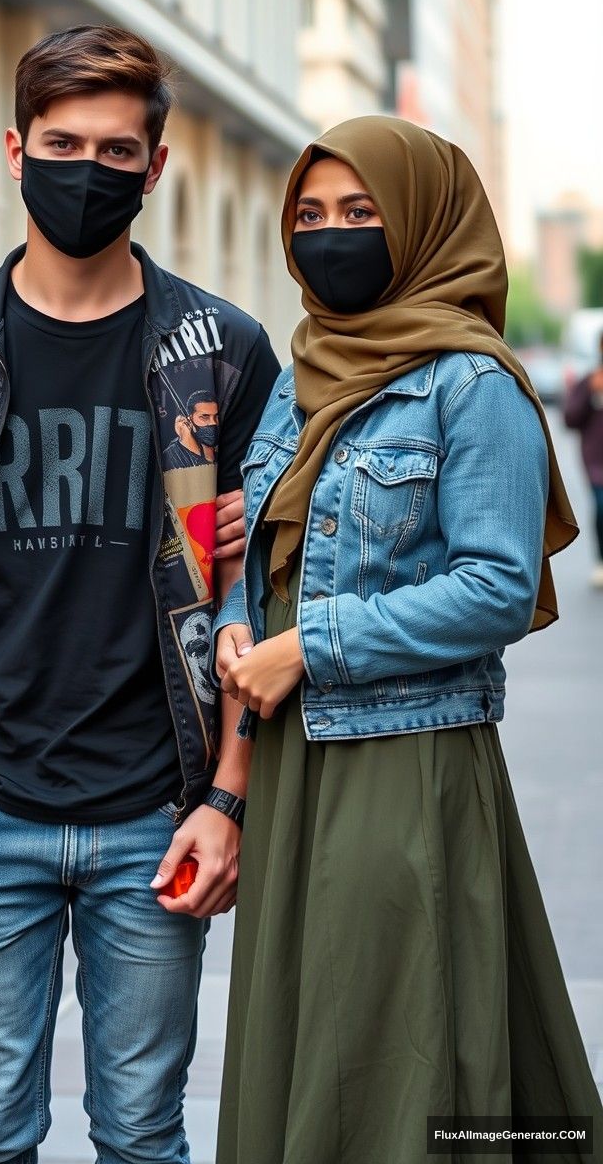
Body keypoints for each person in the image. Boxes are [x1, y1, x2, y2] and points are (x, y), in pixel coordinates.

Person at [0, 24, 280, 1164]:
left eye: (115, 148)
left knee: (143, 1131)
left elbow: (255, 596)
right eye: (61, 142)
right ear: (13, 149)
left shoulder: (221, 352)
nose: (87, 169)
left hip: (158, 806)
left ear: (156, 164)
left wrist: (225, 797)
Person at [212, 116, 602, 1164]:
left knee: (398, 1060)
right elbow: (271, 552)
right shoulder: (302, 378)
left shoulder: (471, 385)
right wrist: (240, 624)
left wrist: (307, 646)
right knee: (312, 1045)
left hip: (405, 758)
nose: (329, 235)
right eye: (310, 216)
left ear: (425, 225)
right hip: (296, 758)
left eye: (360, 213)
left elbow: (495, 588)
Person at [564, 333, 603, 587]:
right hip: (598, 464)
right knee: (602, 507)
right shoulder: (591, 381)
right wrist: (589, 393)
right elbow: (570, 418)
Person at [164, 390, 220, 468]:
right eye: (204, 417)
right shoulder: (172, 455)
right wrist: (190, 446)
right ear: (189, 419)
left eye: (217, 417)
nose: (213, 422)